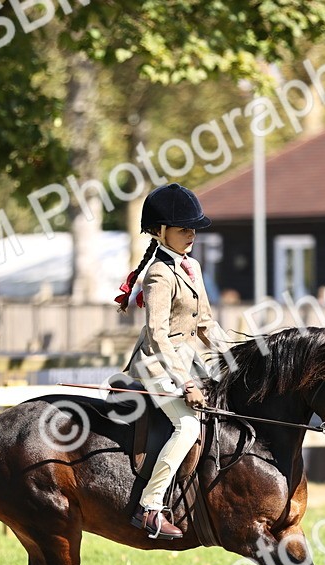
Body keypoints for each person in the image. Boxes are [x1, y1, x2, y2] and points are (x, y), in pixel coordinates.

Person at [115, 183, 228, 540]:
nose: (191, 234)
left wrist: (238, 362)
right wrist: (187, 383)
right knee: (188, 426)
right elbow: (157, 335)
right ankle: (150, 507)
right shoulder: (159, 274)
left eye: (194, 228)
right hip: (157, 364)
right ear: (160, 231)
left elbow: (206, 323)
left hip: (188, 360)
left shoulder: (192, 266)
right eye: (183, 229)